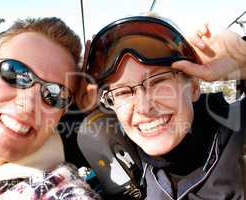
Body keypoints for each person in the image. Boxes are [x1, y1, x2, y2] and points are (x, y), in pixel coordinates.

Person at [81, 14, 246, 199]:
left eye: (159, 82)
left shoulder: (239, 133)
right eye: (122, 93)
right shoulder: (138, 161)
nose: (144, 108)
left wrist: (242, 57)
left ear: (193, 87)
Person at [0, 17, 101, 199]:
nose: (27, 106)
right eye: (13, 73)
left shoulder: (59, 189)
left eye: (54, 95)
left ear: (62, 113)